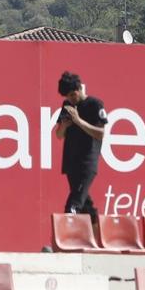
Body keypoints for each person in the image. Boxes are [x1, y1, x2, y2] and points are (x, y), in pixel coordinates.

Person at [52, 70, 109, 227]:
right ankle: (99, 237)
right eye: (67, 97)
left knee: (73, 204)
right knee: (85, 205)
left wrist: (78, 120)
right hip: (71, 162)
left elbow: (100, 133)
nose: (70, 99)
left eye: (72, 95)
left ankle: (64, 240)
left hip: (87, 162)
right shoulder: (67, 106)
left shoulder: (95, 105)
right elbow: (59, 134)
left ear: (78, 90)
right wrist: (64, 125)